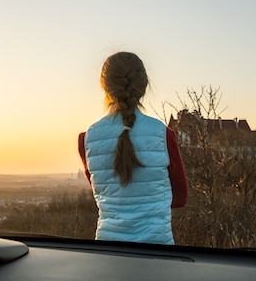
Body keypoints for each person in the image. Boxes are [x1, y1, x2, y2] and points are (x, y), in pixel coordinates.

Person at [78, 52, 188, 245]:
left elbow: (103, 194)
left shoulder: (87, 139)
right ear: (143, 86)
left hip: (108, 249)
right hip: (159, 249)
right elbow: (179, 198)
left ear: (105, 87)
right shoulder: (163, 134)